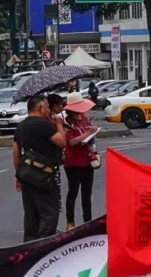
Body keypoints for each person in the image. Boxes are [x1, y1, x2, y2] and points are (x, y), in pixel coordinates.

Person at [15, 95, 67, 240]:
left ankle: (28, 246)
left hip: (26, 176)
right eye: (47, 107)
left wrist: (18, 175)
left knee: (31, 215)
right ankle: (44, 246)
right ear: (40, 107)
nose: (49, 110)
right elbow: (62, 142)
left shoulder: (21, 126)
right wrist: (59, 125)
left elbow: (16, 152)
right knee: (49, 214)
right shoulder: (44, 125)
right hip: (43, 176)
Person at [60, 91, 100, 230]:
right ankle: (70, 222)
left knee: (87, 194)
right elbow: (71, 142)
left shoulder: (83, 118)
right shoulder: (67, 123)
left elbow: (88, 134)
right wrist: (87, 134)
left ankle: (88, 221)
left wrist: (93, 133)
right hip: (73, 162)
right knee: (73, 192)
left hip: (87, 160)